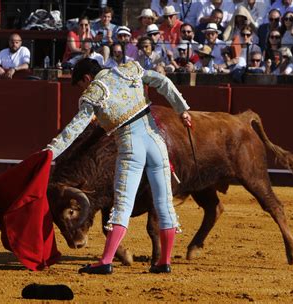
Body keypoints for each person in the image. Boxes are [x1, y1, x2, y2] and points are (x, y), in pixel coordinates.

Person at [46, 58, 192, 275]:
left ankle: (106, 261)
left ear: (86, 78)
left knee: (122, 205)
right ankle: (164, 261)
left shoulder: (93, 92)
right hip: (156, 141)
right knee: (164, 203)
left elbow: (74, 129)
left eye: (80, 85)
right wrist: (182, 110)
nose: (83, 89)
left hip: (130, 146)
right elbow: (162, 81)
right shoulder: (128, 71)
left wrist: (50, 152)